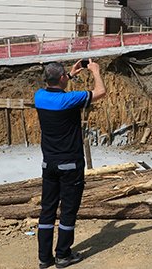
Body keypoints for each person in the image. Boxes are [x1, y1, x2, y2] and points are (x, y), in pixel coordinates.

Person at [34, 59, 106, 269]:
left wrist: (71, 75)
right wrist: (95, 71)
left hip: (49, 164)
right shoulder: (70, 99)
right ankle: (63, 256)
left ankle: (44, 258)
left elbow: (55, 86)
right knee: (67, 212)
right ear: (62, 78)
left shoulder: (39, 96)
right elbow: (100, 92)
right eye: (66, 75)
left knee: (47, 211)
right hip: (71, 166)